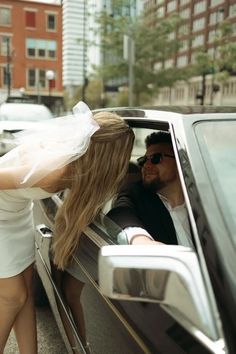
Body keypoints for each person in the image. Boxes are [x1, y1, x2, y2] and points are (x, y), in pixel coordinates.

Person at [0, 101, 134, 354]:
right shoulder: (56, 171)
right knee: (13, 296)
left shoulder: (74, 165)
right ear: (108, 161)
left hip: (17, 212)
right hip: (0, 216)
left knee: (26, 294)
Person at [107, 131, 194, 247]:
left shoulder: (200, 199)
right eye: (143, 160)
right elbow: (119, 214)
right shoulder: (135, 193)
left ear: (179, 161)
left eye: (155, 158)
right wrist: (141, 240)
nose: (146, 166)